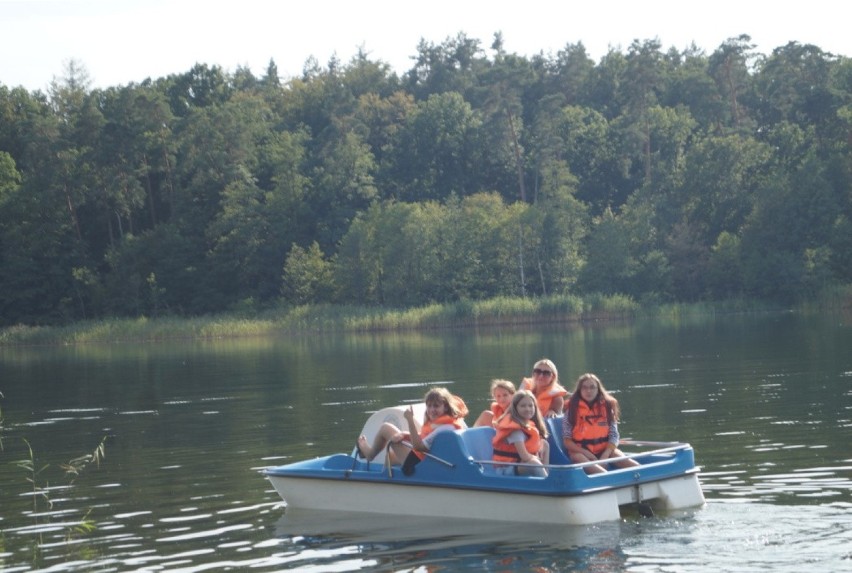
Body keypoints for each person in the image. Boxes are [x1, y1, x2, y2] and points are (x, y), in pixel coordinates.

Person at [356, 387, 467, 471]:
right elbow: (427, 438)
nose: (432, 410)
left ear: (446, 406)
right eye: (429, 406)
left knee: (386, 429)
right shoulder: (450, 423)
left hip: (418, 465)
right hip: (427, 460)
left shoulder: (443, 428)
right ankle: (385, 480)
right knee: (390, 456)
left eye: (436, 406)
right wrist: (405, 434)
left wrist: (410, 420)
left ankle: (369, 455)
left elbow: (418, 447)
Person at [562, 373, 639, 474]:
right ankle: (609, 480)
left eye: (592, 387)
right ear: (580, 390)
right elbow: (567, 442)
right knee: (579, 458)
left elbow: (614, 435)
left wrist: (605, 455)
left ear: (598, 390)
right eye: (584, 388)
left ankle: (647, 477)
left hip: (605, 451)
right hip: (581, 453)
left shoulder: (607, 408)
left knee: (630, 464)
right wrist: (587, 453)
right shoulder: (571, 410)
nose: (588, 391)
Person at [491, 390, 550, 477]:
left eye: (531, 406)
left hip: (520, 464)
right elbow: (524, 456)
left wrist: (537, 454)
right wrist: (536, 458)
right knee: (534, 463)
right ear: (515, 408)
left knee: (544, 444)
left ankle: (546, 475)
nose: (527, 409)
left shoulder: (528, 425)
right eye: (523, 406)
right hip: (505, 469)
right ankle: (546, 483)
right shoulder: (515, 431)